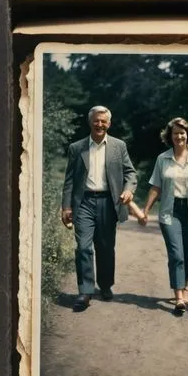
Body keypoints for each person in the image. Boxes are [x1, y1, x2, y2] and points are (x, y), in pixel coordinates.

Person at [61, 105, 137, 311]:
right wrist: (66, 206)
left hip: (108, 203)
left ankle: (105, 285)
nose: (100, 124)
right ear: (90, 122)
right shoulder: (77, 148)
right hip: (83, 203)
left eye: (103, 121)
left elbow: (131, 173)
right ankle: (85, 291)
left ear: (109, 123)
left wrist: (129, 189)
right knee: (84, 247)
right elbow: (69, 181)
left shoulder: (118, 146)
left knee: (105, 248)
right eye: (96, 120)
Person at [141, 117, 188, 313]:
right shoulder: (162, 159)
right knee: (176, 254)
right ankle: (179, 295)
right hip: (169, 211)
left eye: (182, 133)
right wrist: (146, 210)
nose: (179, 136)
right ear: (170, 136)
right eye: (175, 133)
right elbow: (156, 186)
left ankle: (184, 284)